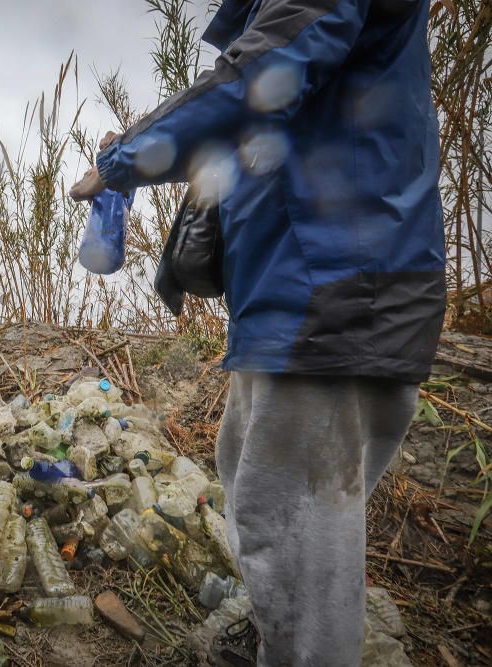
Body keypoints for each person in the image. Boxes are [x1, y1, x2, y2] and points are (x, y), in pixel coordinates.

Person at [70, 0, 444, 664]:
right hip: (323, 291)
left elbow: (261, 80)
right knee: (269, 502)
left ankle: (301, 644)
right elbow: (275, 118)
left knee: (297, 541)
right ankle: (279, 633)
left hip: (327, 293)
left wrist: (124, 159)